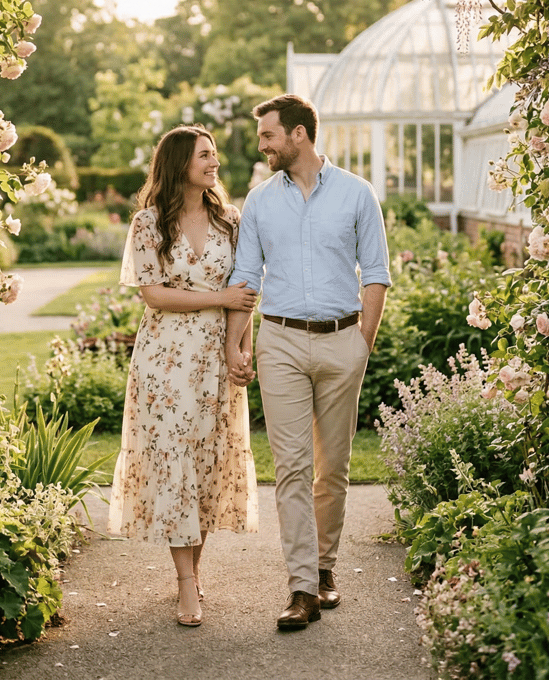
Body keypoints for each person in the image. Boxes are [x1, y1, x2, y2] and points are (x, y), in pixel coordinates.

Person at [224, 94, 391, 630]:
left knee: (332, 468)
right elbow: (246, 278)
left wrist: (361, 341)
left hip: (343, 341)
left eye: (269, 136)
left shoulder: (357, 194)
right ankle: (300, 589)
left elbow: (377, 273)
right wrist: (238, 343)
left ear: (299, 134)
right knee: (292, 468)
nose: (263, 146)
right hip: (281, 343)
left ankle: (323, 570)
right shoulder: (259, 202)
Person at [108, 125, 259, 627]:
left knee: (208, 462)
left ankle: (193, 567)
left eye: (215, 155)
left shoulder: (230, 219)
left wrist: (242, 347)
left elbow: (246, 290)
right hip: (165, 364)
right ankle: (186, 584)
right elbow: (154, 294)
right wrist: (220, 299)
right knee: (173, 460)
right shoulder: (148, 223)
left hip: (215, 359)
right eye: (204, 155)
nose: (215, 163)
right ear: (179, 164)